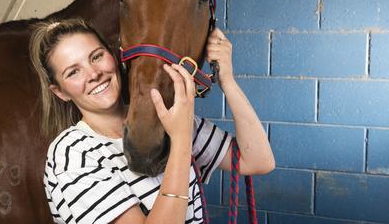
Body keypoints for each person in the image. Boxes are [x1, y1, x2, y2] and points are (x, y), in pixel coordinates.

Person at [30, 18, 274, 224]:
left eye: (96, 57)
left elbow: (257, 160)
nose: (93, 74)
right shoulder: (73, 154)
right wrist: (180, 140)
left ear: (114, 56)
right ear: (60, 91)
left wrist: (227, 80)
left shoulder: (164, 117)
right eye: (73, 72)